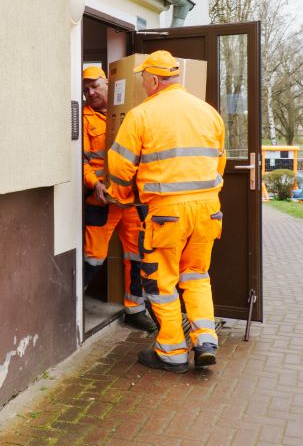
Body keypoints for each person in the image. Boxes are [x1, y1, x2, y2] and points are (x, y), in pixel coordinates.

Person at [107, 51, 226, 373]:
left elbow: (120, 164)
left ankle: (171, 351)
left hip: (166, 213)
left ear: (155, 79)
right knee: (197, 276)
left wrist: (118, 195)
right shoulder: (208, 112)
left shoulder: (141, 114)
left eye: (144, 79)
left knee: (162, 283)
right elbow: (219, 162)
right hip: (208, 210)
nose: (143, 84)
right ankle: (205, 341)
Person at [82, 66, 155, 332]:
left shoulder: (130, 114)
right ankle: (73, 309)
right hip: (102, 201)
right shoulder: (84, 119)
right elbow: (82, 162)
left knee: (136, 256)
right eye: (86, 89)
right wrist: (95, 184)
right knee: (93, 257)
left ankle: (135, 310)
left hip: (132, 202)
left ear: (108, 85)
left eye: (95, 86)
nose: (90, 93)